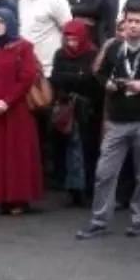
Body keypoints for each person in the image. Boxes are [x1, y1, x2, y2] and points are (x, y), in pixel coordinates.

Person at [76, 4, 140, 239]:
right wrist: (106, 84)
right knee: (104, 172)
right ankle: (99, 220)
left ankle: (139, 219)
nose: (131, 26)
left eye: (137, 22)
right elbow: (98, 73)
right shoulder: (115, 50)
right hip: (116, 120)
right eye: (128, 21)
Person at [0, 8, 44, 215]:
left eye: (1, 21)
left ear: (10, 23)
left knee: (17, 153)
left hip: (17, 109)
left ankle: (18, 198)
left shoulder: (23, 47)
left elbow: (27, 76)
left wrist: (7, 100)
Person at [49, 19, 101, 207]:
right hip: (66, 108)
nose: (71, 43)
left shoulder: (92, 54)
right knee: (69, 150)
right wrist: (77, 77)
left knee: (82, 150)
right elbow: (56, 78)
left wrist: (73, 79)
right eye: (68, 38)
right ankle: (72, 189)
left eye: (74, 38)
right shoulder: (60, 55)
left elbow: (92, 81)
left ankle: (83, 189)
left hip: (85, 110)